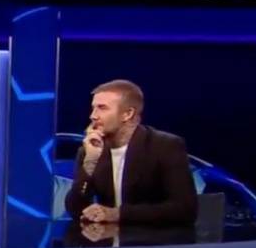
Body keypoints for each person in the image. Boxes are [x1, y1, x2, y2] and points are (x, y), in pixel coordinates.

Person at [65, 80, 197, 225]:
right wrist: (90, 162)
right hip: (106, 237)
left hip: (154, 236)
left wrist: (118, 214)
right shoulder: (90, 150)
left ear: (127, 114)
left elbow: (185, 209)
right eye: (93, 108)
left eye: (102, 108)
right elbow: (75, 209)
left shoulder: (165, 146)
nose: (93, 116)